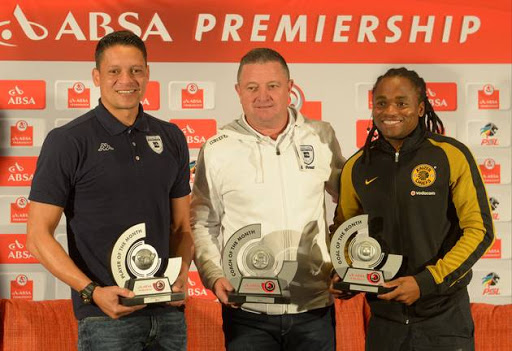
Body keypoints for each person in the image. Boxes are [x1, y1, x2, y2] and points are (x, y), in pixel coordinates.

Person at [26, 30, 193, 351]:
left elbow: (182, 227)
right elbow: (37, 234)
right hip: (106, 319)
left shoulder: (172, 137)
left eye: (136, 70)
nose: (126, 80)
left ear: (147, 74)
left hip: (168, 316)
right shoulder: (68, 141)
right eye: (114, 71)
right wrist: (91, 291)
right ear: (96, 76)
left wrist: (182, 272)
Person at [330, 67, 494, 350]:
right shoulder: (357, 166)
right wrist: (345, 274)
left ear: (420, 108)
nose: (390, 110)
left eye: (401, 102)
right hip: (384, 322)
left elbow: (479, 230)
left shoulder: (450, 155)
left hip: (444, 319)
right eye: (381, 103)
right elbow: (345, 231)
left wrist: (427, 281)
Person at [191, 48, 345, 351]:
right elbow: (201, 221)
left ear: (290, 88)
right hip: (247, 311)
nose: (263, 96)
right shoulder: (217, 147)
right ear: (238, 92)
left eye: (273, 86)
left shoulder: (321, 136)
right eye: (252, 87)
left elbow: (350, 203)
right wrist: (213, 274)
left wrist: (345, 259)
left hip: (312, 308)